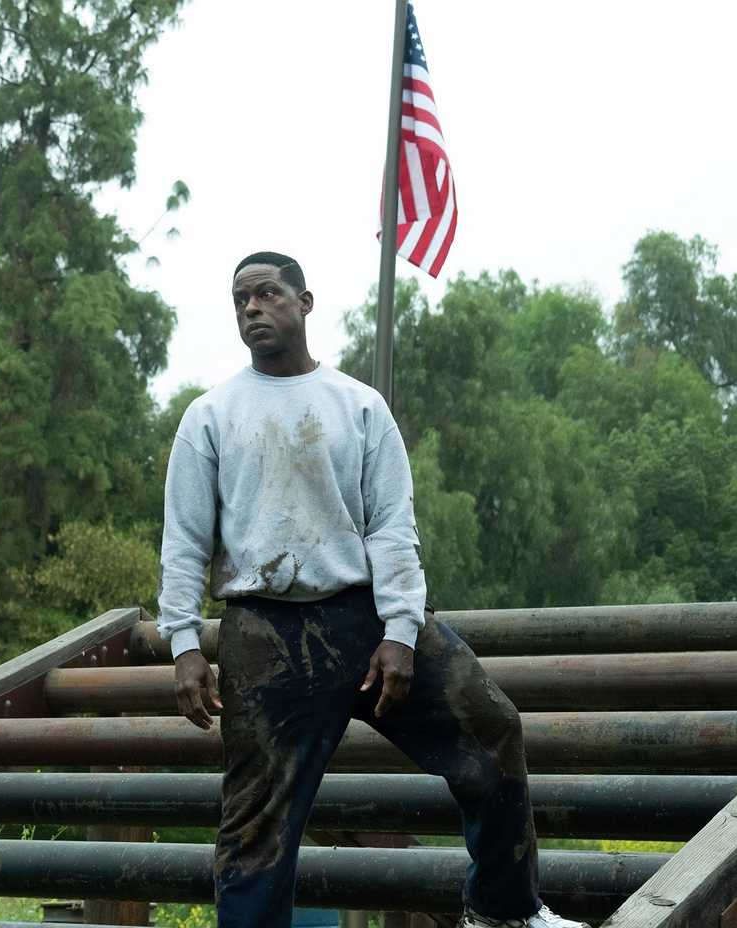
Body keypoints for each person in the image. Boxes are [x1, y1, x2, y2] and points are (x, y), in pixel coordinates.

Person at [156, 252, 585, 928]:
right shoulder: (210, 415)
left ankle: (503, 909)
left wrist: (399, 631)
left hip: (362, 619)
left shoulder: (358, 405)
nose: (252, 309)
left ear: (305, 302)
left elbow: (392, 527)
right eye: (240, 300)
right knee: (255, 827)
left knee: (492, 727)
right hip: (265, 637)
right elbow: (183, 540)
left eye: (267, 294)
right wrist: (183, 642)